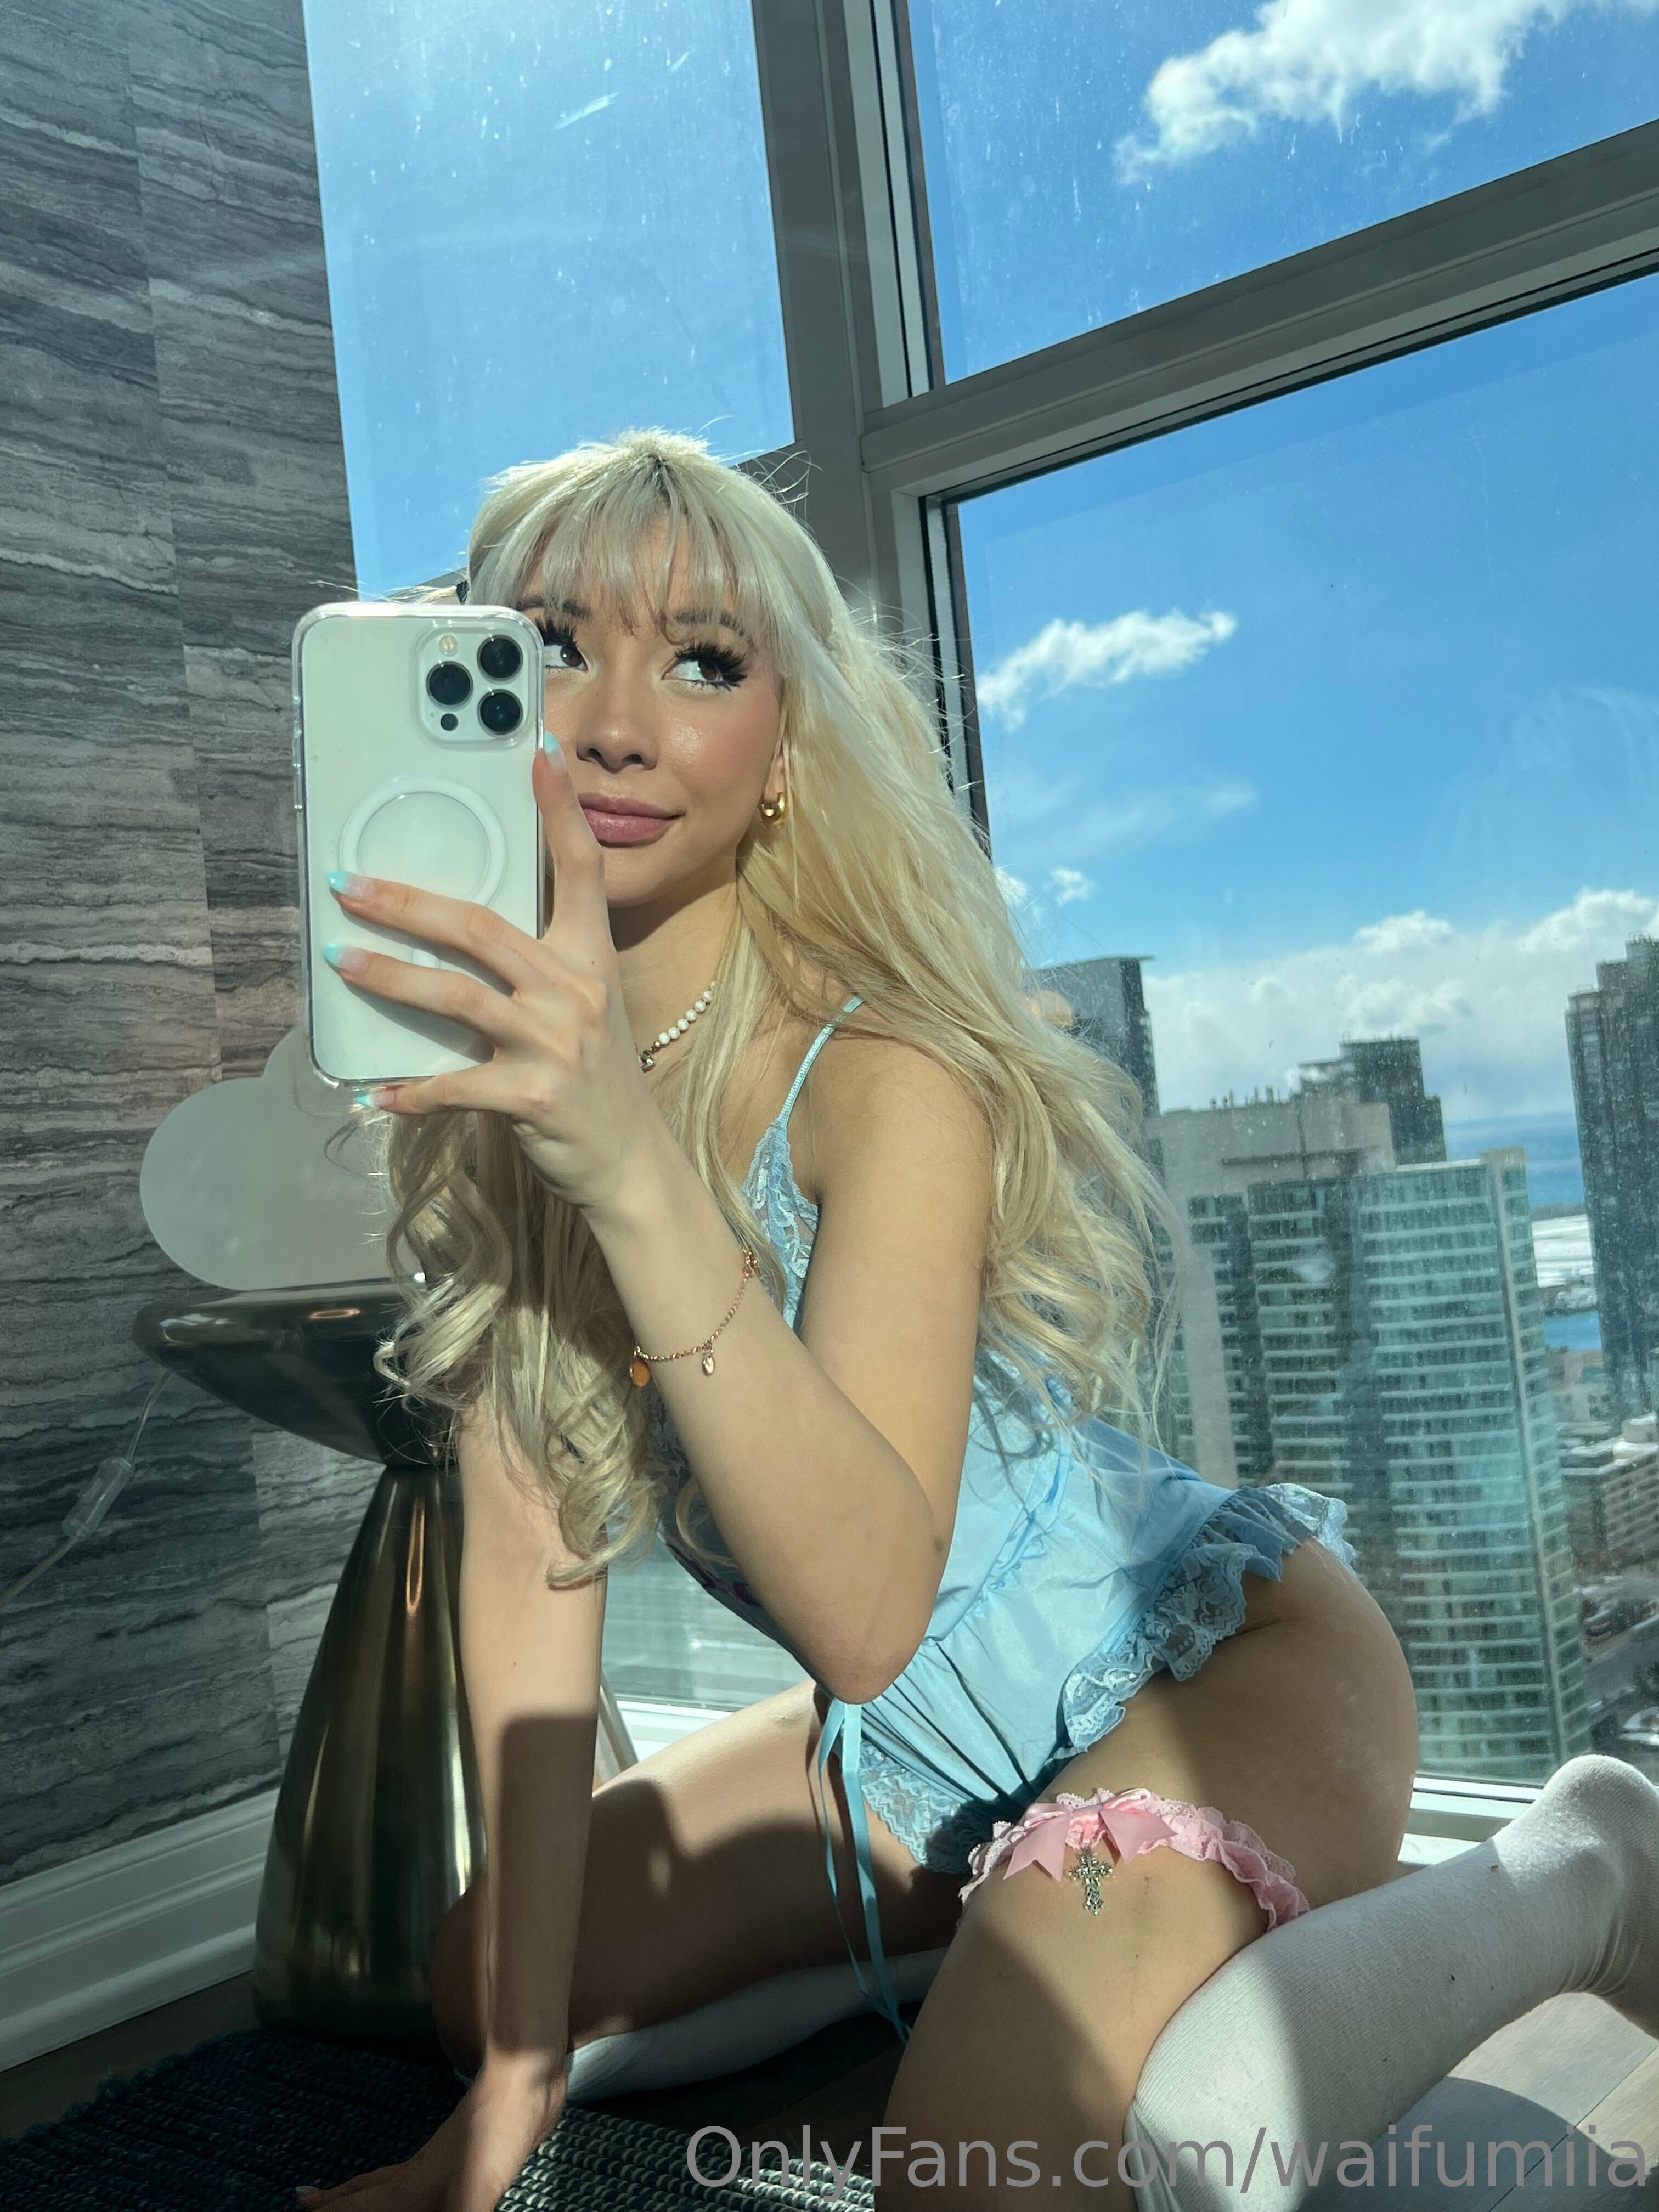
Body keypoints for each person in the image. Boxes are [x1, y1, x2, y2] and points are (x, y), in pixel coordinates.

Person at [295, 432, 1659, 2212]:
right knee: (481, 1976)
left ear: (786, 750)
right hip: (906, 1773)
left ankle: (1585, 1867)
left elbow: (865, 1618)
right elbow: (522, 1569)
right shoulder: (506, 1109)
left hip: (1215, 1676)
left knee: (975, 2181)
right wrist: (513, 2085)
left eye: (702, 659)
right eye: (552, 646)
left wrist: (628, 1161)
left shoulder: (884, 1074)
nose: (616, 721)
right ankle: (1020, 1924)